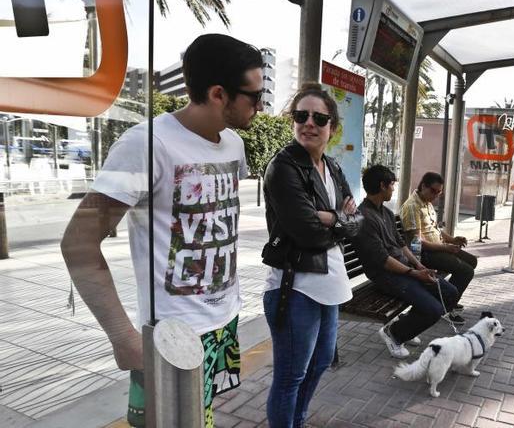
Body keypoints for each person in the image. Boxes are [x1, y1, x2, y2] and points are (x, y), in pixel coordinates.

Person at [60, 33, 264, 427]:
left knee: (202, 418)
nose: (260, 105)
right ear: (219, 93)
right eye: (253, 96)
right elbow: (78, 244)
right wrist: (123, 338)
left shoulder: (234, 146)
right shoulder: (146, 144)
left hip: (222, 320)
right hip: (171, 335)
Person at [261, 83, 362, 428]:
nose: (309, 123)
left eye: (319, 117)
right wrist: (339, 219)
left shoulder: (332, 168)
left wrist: (330, 217)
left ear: (331, 127)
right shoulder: (283, 167)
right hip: (294, 286)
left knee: (319, 364)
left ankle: (297, 421)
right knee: (291, 376)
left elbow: (358, 220)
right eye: (301, 115)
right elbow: (306, 232)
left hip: (330, 285)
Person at [352, 165, 460, 359]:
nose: (394, 189)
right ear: (382, 185)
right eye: (392, 185)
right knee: (434, 310)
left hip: (405, 269)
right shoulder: (364, 218)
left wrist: (419, 266)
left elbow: (401, 244)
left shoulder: (384, 212)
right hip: (385, 275)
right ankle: (394, 334)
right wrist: (414, 273)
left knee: (450, 293)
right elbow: (382, 260)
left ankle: (405, 327)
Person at [399, 172, 478, 325]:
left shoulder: (426, 202)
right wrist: (445, 247)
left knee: (471, 260)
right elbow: (417, 242)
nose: (436, 196)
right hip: (424, 254)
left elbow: (435, 230)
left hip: (438, 249)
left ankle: (448, 299)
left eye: (439, 192)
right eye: (433, 191)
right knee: (466, 270)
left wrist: (452, 239)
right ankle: (448, 307)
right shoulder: (412, 206)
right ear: (423, 186)